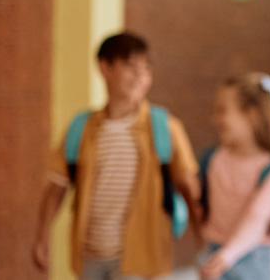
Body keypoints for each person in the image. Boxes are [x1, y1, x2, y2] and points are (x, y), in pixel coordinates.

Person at [32, 32, 201, 279]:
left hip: (140, 259)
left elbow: (189, 188)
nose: (140, 77)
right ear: (105, 67)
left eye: (146, 69)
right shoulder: (82, 128)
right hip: (89, 255)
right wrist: (42, 237)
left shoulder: (164, 127)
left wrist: (203, 242)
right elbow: (56, 188)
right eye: (131, 67)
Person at [194, 72, 270, 280]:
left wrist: (225, 257)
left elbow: (256, 221)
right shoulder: (211, 159)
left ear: (251, 115)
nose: (215, 119)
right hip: (217, 256)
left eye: (222, 111)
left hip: (258, 263)